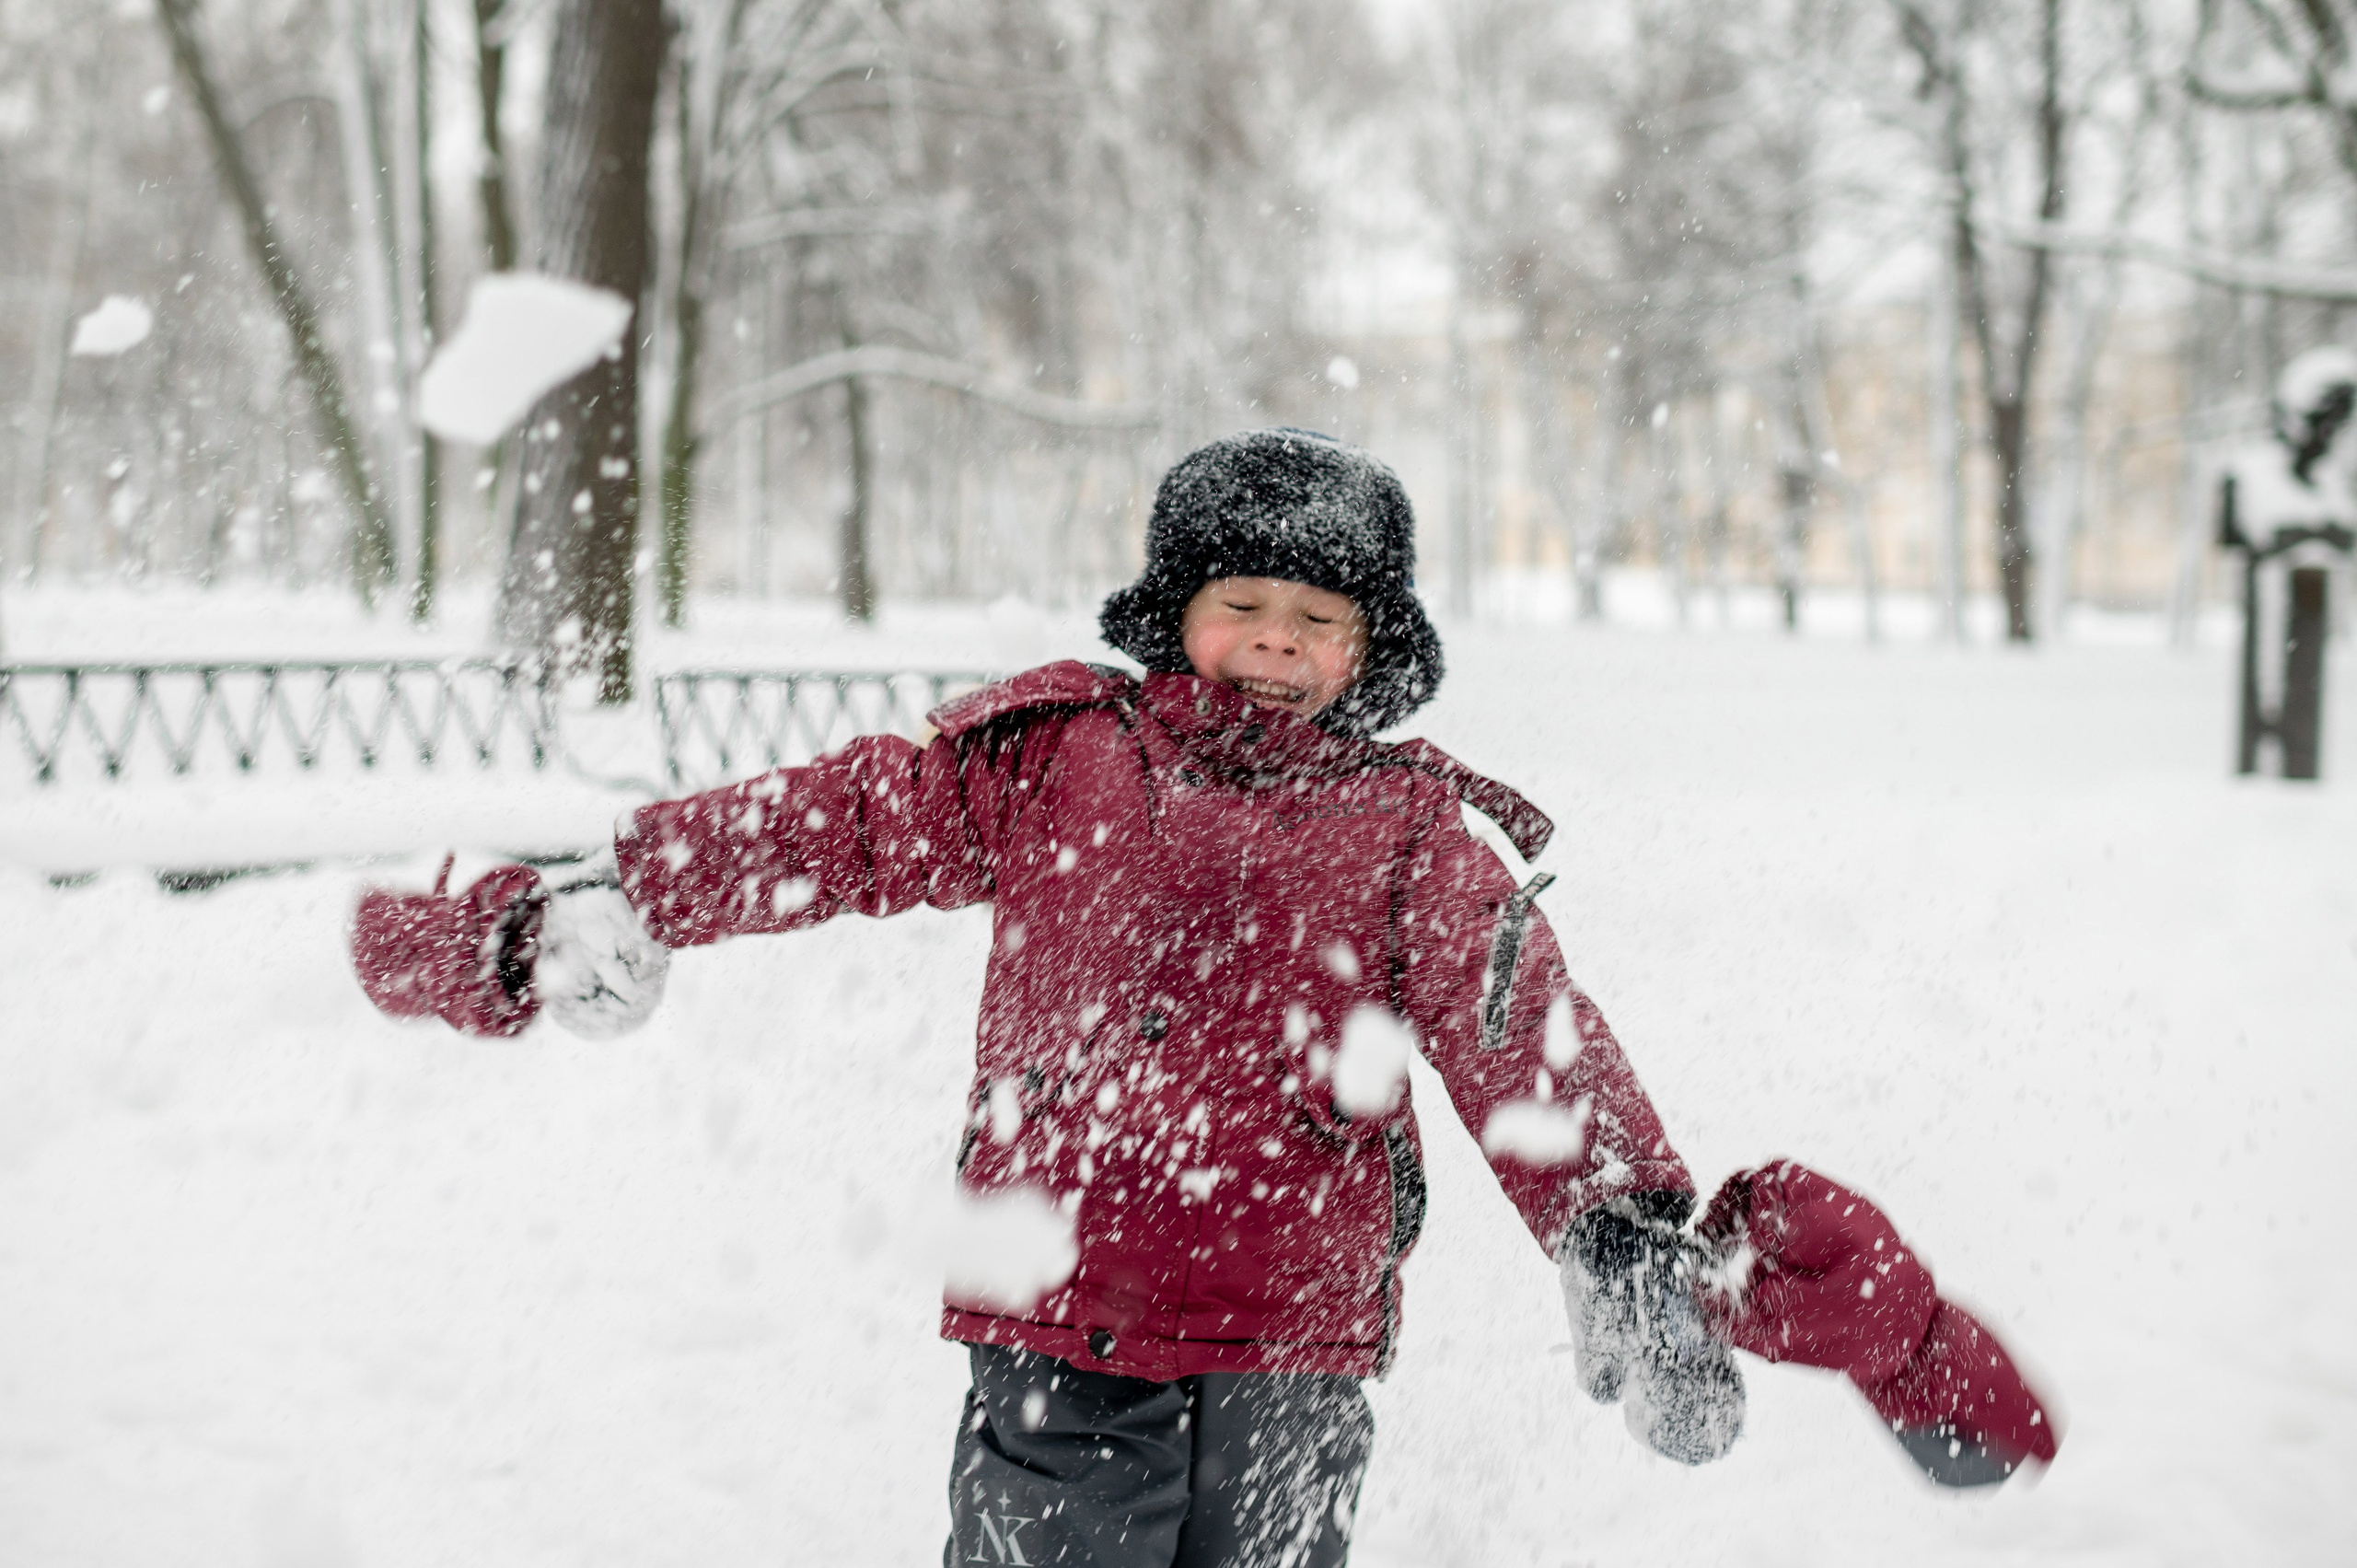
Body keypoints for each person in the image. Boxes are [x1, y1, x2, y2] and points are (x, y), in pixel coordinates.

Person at [352, 428, 2056, 1565]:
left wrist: (1615, 1219)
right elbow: (842, 824)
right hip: (1059, 1312)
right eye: (1242, 606)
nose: (1275, 645)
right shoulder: (1055, 761)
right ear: (1177, 616)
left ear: (1367, 649)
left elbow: (1516, 1022)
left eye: (1316, 622)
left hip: (1298, 1339)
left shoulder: (1408, 832)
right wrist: (625, 890)